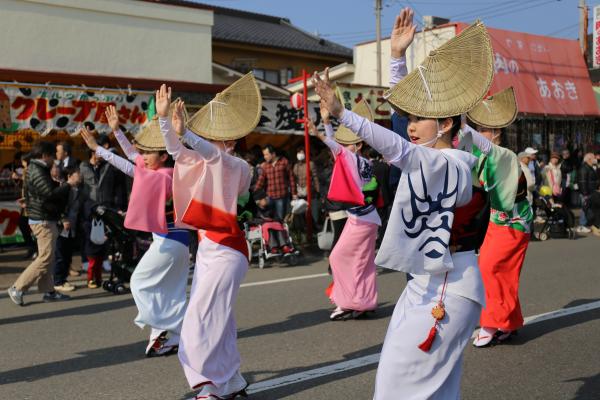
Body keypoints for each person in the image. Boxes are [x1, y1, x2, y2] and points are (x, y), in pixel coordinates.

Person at [314, 10, 491, 398]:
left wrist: (344, 115)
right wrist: (397, 57)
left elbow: (397, 146)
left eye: (420, 119)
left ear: (446, 125)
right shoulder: (427, 154)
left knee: (399, 384)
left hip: (450, 286)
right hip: (425, 279)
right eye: (410, 118)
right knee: (426, 387)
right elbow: (399, 128)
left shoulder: (454, 164)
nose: (410, 125)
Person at [157, 74, 258, 399]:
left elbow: (210, 155)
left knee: (201, 322)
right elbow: (175, 150)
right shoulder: (205, 161)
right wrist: (163, 121)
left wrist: (186, 132)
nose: (207, 141)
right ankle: (229, 380)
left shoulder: (238, 166)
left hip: (227, 251)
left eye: (214, 137)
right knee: (220, 320)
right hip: (211, 252)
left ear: (229, 140)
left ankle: (206, 386)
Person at [81, 104, 190, 357]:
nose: (143, 155)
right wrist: (117, 132)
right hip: (176, 241)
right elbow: (133, 160)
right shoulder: (163, 171)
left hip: (169, 242)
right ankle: (169, 337)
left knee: (139, 283)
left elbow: (131, 166)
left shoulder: (164, 176)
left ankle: (168, 327)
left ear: (164, 156)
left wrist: (99, 149)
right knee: (168, 291)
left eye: (149, 153)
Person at [463, 86, 533, 348]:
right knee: (500, 272)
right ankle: (507, 322)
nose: (480, 134)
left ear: (496, 133)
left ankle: (491, 323)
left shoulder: (506, 155)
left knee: (490, 268)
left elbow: (483, 148)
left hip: (514, 221)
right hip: (496, 220)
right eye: (478, 128)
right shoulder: (482, 156)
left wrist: (463, 123)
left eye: (484, 129)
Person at [310, 99, 381, 321]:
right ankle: (363, 302)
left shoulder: (355, 160)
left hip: (362, 219)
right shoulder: (363, 162)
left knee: (338, 257)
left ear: (358, 145)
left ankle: (348, 301)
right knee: (362, 263)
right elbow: (337, 149)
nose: (344, 146)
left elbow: (334, 147)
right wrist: (326, 123)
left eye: (349, 143)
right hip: (365, 218)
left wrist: (320, 132)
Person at [7, 141, 79, 306]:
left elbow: (44, 192)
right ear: (45, 155)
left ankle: (49, 291)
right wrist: (68, 184)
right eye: (52, 155)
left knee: (47, 257)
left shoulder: (37, 169)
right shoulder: (37, 169)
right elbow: (49, 194)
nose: (54, 159)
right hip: (43, 219)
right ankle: (17, 288)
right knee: (45, 258)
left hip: (43, 217)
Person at [79, 141, 124, 288]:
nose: (102, 154)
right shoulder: (82, 167)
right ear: (92, 153)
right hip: (90, 211)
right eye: (99, 151)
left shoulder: (109, 167)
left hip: (107, 209)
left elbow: (118, 187)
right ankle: (92, 277)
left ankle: (103, 274)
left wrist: (117, 207)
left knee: (106, 242)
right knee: (92, 243)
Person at [52, 165, 82, 292]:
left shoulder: (77, 189)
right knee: (61, 255)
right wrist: (63, 219)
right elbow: (58, 206)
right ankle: (58, 281)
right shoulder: (64, 188)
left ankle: (62, 279)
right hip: (62, 227)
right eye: (78, 174)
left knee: (66, 254)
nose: (80, 176)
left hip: (71, 227)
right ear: (69, 176)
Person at [255, 144, 297, 220]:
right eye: (264, 155)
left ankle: (281, 231)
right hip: (269, 197)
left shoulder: (284, 162)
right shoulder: (265, 166)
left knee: (280, 219)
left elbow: (291, 178)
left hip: (281, 196)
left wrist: (294, 193)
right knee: (268, 219)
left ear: (273, 154)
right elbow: (260, 181)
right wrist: (255, 195)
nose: (265, 157)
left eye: (266, 154)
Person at [578, 153, 599, 233]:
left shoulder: (590, 167)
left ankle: (588, 224)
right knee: (584, 208)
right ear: (589, 159)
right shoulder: (584, 168)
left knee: (588, 208)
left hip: (591, 191)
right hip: (586, 192)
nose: (595, 159)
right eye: (594, 157)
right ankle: (581, 225)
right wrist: (585, 194)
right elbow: (582, 182)